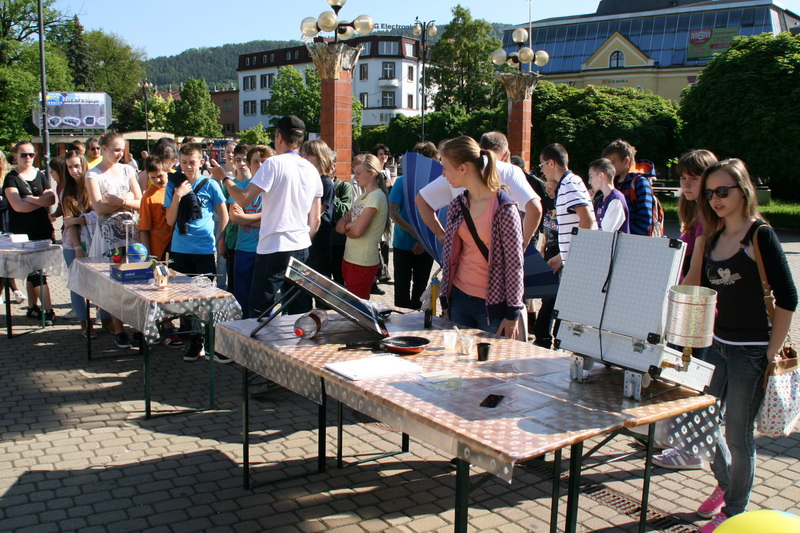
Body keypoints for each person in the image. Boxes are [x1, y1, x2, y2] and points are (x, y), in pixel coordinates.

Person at [691, 159, 797, 532]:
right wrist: (700, 243)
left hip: (751, 351)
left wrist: (769, 352)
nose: (716, 199)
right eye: (710, 193)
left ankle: (734, 511)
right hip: (717, 347)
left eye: (723, 191)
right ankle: (727, 483)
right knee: (699, 422)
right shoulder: (714, 237)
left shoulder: (760, 235)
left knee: (738, 435)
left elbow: (788, 297)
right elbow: (694, 291)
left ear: (743, 190)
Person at [211, 115, 321, 318]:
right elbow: (315, 220)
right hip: (301, 245)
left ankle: (261, 349)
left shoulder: (273, 164)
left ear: (279, 137)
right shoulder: (312, 170)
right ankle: (293, 349)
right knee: (299, 308)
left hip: (274, 246)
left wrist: (224, 177)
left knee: (260, 308)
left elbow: (244, 199)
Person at [651, 149, 719, 471]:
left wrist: (668, 304)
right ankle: (683, 444)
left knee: (692, 384)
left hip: (698, 315)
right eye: (683, 177)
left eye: (693, 178)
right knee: (684, 381)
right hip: (690, 310)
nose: (686, 183)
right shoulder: (693, 215)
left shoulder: (706, 220)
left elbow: (693, 276)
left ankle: (691, 451)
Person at [438, 136, 524, 338]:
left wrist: (513, 313)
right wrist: (445, 300)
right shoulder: (457, 204)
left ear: (463, 168)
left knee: (489, 366)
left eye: (446, 168)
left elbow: (515, 264)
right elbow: (449, 255)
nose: (443, 175)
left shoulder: (504, 207)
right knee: (457, 362)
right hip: (458, 297)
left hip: (492, 307)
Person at [415, 131, 542, 251]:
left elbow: (421, 200)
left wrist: (442, 235)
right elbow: (535, 209)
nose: (444, 174)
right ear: (505, 155)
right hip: (499, 261)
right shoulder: (511, 171)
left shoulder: (457, 170)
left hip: (463, 260)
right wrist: (521, 245)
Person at [165, 142, 229, 362]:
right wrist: (177, 196)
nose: (188, 167)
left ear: (201, 162)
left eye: (192, 162)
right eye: (183, 163)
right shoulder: (173, 184)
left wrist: (218, 241)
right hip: (180, 249)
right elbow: (169, 220)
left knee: (205, 297)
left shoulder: (210, 185)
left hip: (203, 249)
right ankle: (194, 340)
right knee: (184, 298)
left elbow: (224, 216)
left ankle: (211, 340)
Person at [85, 132, 142, 348]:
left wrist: (118, 200)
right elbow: (98, 208)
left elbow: (140, 201)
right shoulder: (93, 174)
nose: (119, 154)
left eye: (122, 150)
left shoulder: (128, 170)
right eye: (115, 150)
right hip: (109, 237)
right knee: (115, 282)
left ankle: (137, 326)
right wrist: (125, 201)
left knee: (136, 280)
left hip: (132, 233)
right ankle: (119, 329)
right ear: (104, 149)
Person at [2, 141, 56, 324]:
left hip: (42, 229)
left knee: (38, 271)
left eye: (31, 155)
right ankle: (49, 310)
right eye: (23, 155)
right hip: (23, 233)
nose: (28, 158)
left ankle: (33, 308)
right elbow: (18, 206)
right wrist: (40, 200)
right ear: (15, 155)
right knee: (35, 272)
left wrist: (31, 199)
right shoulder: (11, 178)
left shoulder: (40, 175)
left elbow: (51, 199)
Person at [389, 141, 436, 309]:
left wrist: (423, 240)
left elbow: (439, 215)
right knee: (402, 285)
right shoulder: (402, 182)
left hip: (426, 245)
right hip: (404, 243)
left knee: (420, 284)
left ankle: (415, 319)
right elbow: (393, 211)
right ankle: (400, 318)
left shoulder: (435, 184)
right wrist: (417, 234)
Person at [335, 154, 389, 300]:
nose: (355, 176)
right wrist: (350, 226)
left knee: (358, 307)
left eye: (359, 173)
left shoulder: (376, 196)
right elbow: (339, 227)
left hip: (362, 261)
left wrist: (350, 227)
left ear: (371, 174)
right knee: (353, 304)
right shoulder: (362, 197)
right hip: (351, 258)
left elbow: (358, 231)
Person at [228, 144, 273, 318]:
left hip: (267, 250)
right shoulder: (240, 186)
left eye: (264, 161)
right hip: (244, 250)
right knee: (243, 298)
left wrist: (249, 218)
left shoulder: (274, 188)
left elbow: (275, 219)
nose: (260, 166)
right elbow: (236, 218)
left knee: (264, 301)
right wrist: (266, 217)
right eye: (256, 162)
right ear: (248, 164)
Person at [538, 143, 597, 273]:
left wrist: (573, 257)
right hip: (578, 260)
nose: (541, 170)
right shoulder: (569, 182)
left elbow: (587, 219)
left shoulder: (569, 183)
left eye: (542, 165)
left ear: (551, 163)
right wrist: (561, 258)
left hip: (581, 262)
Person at [60, 150, 94, 337]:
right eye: (70, 167)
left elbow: (99, 215)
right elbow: (68, 223)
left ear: (84, 164)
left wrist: (78, 220)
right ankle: (84, 321)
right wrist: (76, 247)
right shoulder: (67, 192)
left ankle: (105, 318)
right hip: (73, 243)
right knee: (77, 284)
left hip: (95, 240)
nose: (74, 170)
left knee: (99, 283)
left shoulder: (92, 184)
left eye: (77, 165)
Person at [602, 139, 656, 236]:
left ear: (626, 161)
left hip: (633, 243)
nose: (607, 167)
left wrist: (622, 234)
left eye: (612, 163)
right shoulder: (613, 182)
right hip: (616, 240)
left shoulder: (640, 182)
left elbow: (645, 223)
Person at [300, 140, 335, 282]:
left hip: (319, 239)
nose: (304, 158)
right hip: (308, 237)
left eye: (308, 155)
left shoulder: (325, 182)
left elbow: (316, 215)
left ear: (320, 157)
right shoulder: (309, 180)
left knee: (319, 284)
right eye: (303, 154)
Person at [219, 143, 252, 292]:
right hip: (232, 241)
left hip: (251, 243)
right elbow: (224, 215)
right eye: (238, 160)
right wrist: (222, 241)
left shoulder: (256, 185)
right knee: (233, 286)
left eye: (245, 160)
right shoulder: (229, 185)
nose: (241, 164)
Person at [0, 149, 27, 305]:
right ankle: (15, 291)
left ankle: (13, 291)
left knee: (7, 260)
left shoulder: (9, 178)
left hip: (8, 223)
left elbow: (10, 203)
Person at [330, 152, 354, 285]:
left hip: (338, 241)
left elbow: (344, 213)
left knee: (339, 280)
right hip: (319, 241)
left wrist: (329, 189)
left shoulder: (344, 186)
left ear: (333, 166)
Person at [588, 158, 629, 233]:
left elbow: (605, 233)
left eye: (591, 177)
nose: (589, 181)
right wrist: (589, 202)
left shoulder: (616, 199)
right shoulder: (598, 200)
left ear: (601, 176)